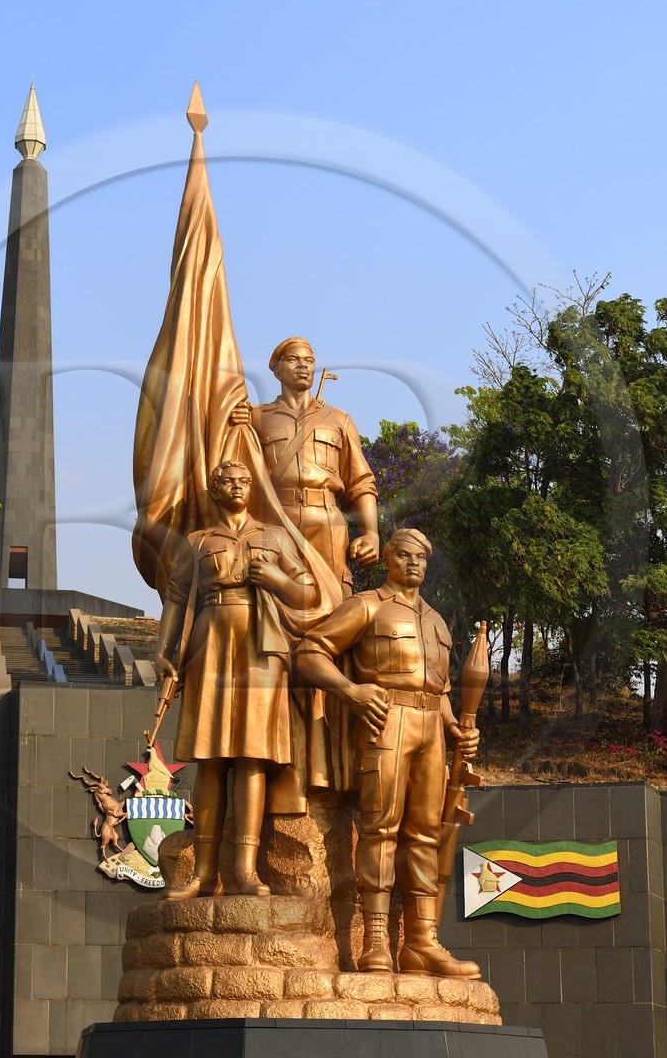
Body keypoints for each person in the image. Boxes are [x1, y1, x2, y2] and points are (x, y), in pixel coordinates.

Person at [294, 528, 481, 976]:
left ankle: (421, 942)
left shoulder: (436, 620)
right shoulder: (366, 605)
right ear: (388, 559)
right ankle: (375, 940)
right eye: (404, 554)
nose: (414, 562)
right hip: (387, 720)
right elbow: (308, 652)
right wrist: (351, 690)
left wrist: (456, 729)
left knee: (425, 833)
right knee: (380, 828)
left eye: (421, 556)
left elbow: (441, 689)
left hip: (431, 729)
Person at [154, 461, 317, 898]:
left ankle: (245, 871)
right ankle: (205, 873)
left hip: (261, 645)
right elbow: (175, 598)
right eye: (229, 481)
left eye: (244, 481)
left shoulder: (275, 536)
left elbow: (308, 592)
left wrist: (279, 579)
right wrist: (161, 654)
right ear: (214, 489)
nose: (238, 487)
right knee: (209, 757)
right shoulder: (198, 542)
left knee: (251, 755)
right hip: (210, 642)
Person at [230, 337, 378, 596]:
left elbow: (361, 482)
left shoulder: (339, 420)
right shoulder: (255, 416)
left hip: (326, 521)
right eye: (294, 359)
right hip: (274, 518)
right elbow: (234, 468)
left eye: (309, 361)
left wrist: (371, 534)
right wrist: (231, 422)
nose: (303, 366)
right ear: (277, 371)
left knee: (333, 596)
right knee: (271, 595)